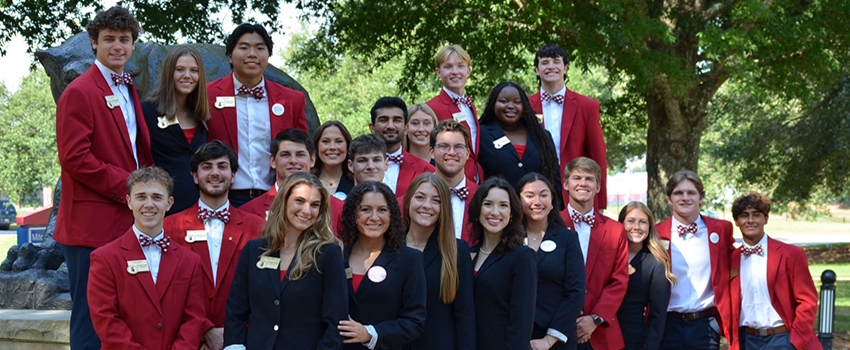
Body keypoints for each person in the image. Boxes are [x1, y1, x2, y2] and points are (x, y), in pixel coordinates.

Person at [54, 7, 153, 349]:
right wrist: (130, 187)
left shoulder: (129, 90)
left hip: (127, 220)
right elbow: (74, 158)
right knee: (91, 317)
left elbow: (136, 151)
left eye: (124, 40)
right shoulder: (80, 92)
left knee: (123, 315)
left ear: (132, 45)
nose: (117, 47)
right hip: (89, 225)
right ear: (93, 43)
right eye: (108, 39)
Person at [224, 173, 349, 349]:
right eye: (299, 201)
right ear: (284, 201)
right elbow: (236, 312)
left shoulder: (328, 254)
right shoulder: (254, 250)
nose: (307, 211)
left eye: (315, 205)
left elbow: (336, 323)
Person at [88, 167, 207, 350]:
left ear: (169, 203)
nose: (149, 204)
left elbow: (194, 318)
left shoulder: (190, 261)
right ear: (129, 202)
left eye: (157, 197)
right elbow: (105, 319)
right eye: (141, 197)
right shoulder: (105, 258)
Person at [163, 141, 265, 350]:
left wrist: (235, 331)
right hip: (187, 339)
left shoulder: (258, 227)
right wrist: (205, 329)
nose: (215, 173)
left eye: (222, 166)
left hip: (242, 338)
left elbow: (262, 288)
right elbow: (168, 289)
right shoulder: (170, 227)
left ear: (233, 175)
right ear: (195, 176)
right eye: (207, 167)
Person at [206, 23, 308, 206]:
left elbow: (303, 151)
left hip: (278, 198)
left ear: (268, 56)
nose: (252, 54)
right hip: (224, 197)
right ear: (230, 56)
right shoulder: (207, 96)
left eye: (260, 48)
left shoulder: (292, 99)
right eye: (244, 47)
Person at [338, 182, 427, 350]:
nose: (374, 217)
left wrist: (371, 333)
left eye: (382, 210)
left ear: (392, 214)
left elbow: (414, 321)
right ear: (352, 214)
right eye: (365, 209)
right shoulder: (337, 256)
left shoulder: (409, 260)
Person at [728, 193, 821, 350]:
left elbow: (808, 301)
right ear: (737, 221)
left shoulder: (791, 254)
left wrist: (795, 342)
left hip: (782, 339)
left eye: (756, 215)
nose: (750, 220)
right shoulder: (731, 260)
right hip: (745, 341)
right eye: (744, 216)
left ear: (766, 219)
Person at [657, 170, 735, 350]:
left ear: (701, 198)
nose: (685, 198)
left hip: (706, 324)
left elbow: (736, 265)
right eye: (678, 193)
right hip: (668, 324)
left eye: (691, 193)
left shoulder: (721, 230)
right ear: (669, 199)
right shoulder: (656, 233)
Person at [527, 44, 607, 211]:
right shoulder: (525, 106)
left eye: (556, 61)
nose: (550, 66)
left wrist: (600, 202)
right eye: (545, 62)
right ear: (536, 69)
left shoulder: (587, 106)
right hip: (536, 188)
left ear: (565, 68)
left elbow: (598, 155)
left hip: (576, 187)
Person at [402, 173, 476, 350]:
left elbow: (465, 315)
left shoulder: (457, 251)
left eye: (436, 200)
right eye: (420, 197)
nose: (427, 206)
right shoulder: (389, 248)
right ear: (408, 201)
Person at [561, 157, 628, 350]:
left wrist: (595, 318)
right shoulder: (550, 225)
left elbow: (619, 281)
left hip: (602, 334)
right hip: (557, 331)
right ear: (566, 184)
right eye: (577, 178)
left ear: (598, 186)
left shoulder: (616, 231)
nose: (583, 183)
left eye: (589, 179)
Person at [516, 173, 585, 350]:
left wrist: (549, 339)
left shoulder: (568, 238)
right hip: (517, 334)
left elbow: (576, 292)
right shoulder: (510, 239)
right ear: (518, 200)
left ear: (552, 200)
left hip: (558, 337)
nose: (537, 201)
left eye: (544, 195)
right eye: (529, 195)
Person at [469, 177, 537, 350]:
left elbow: (521, 322)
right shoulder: (467, 253)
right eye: (488, 204)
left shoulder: (522, 257)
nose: (495, 212)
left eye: (503, 205)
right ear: (478, 210)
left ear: (512, 213)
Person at [143, 44, 210, 215]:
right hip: (160, 208)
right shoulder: (147, 111)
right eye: (180, 69)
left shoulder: (202, 115)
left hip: (199, 207)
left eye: (194, 71)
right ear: (169, 73)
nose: (187, 76)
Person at [477, 82, 563, 208]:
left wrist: (555, 210)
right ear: (493, 104)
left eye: (517, 102)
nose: (511, 106)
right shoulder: (480, 134)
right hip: (498, 213)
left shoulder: (542, 136)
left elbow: (554, 177)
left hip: (536, 214)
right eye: (504, 101)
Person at [615, 202, 674, 350]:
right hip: (601, 335)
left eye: (643, 222)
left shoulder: (656, 263)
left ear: (649, 227)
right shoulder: (609, 256)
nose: (637, 227)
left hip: (633, 339)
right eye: (630, 221)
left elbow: (658, 316)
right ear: (620, 224)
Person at [425, 44, 482, 183]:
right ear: (438, 72)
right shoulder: (431, 108)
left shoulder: (470, 107)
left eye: (460, 66)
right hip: (447, 182)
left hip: (475, 181)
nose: (455, 71)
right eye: (448, 67)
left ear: (468, 71)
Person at [240, 129, 316, 219]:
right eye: (285, 155)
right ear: (273, 161)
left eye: (300, 155)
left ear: (312, 160)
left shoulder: (333, 207)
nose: (293, 161)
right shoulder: (249, 211)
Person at [369, 97, 435, 197]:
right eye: (383, 120)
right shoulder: (358, 165)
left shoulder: (426, 170)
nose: (390, 126)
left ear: (406, 128)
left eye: (397, 120)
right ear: (372, 128)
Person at [430, 120, 478, 244]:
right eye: (444, 146)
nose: (451, 153)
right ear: (431, 152)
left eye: (458, 147)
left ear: (467, 154)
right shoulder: (416, 196)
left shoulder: (481, 196)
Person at [312, 120, 355, 198]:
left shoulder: (356, 182)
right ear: (317, 146)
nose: (332, 147)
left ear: (348, 147)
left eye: (339, 141)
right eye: (325, 141)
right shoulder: (305, 181)